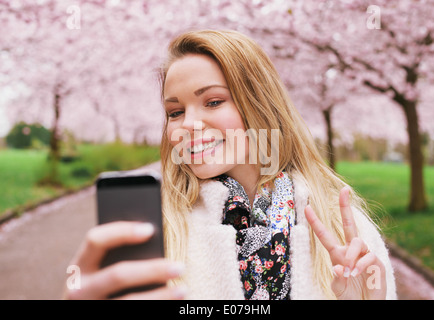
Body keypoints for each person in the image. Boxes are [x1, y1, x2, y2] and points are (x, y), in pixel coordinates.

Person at [64, 30, 396, 300]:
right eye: (175, 112)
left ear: (260, 105)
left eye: (213, 101)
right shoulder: (157, 229)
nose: (187, 125)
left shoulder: (341, 227)